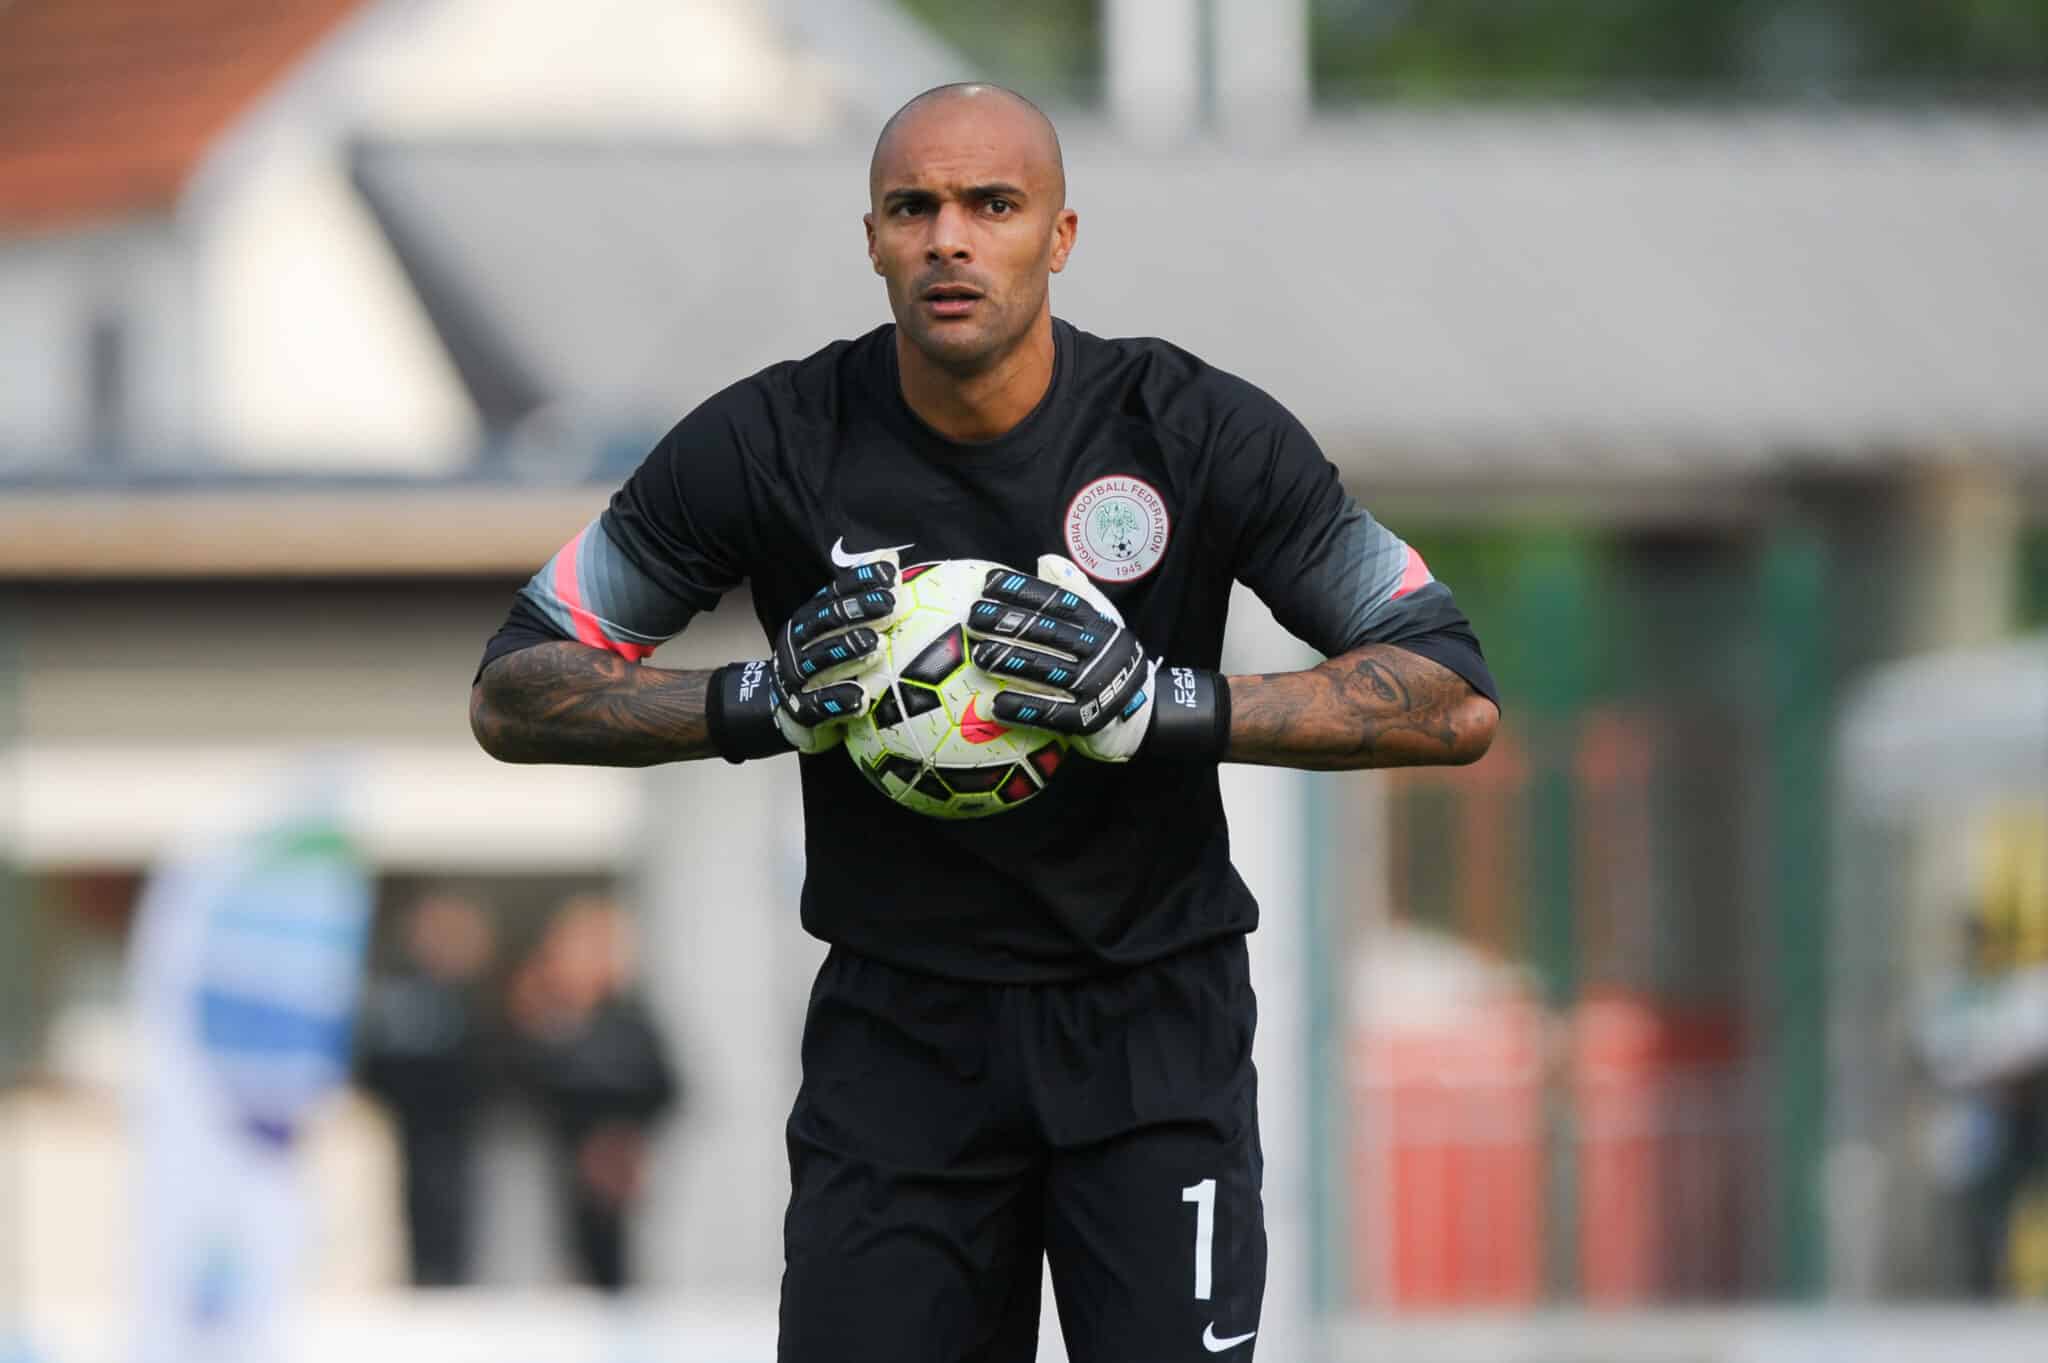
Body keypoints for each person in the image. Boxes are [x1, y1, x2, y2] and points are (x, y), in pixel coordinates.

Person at [471, 83, 1499, 1361]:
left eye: (991, 205)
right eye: (913, 208)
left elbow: (1448, 691)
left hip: (1148, 1024)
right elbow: (515, 685)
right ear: (871, 239)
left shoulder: (1192, 432)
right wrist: (751, 701)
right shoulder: (768, 441)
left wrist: (1160, 706)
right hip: (899, 1041)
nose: (947, 239)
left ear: (1059, 236)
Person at [505, 894, 680, 1292]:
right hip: (555, 1170)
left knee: (613, 1266)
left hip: (620, 1174)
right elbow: (523, 1090)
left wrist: (623, 1138)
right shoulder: (543, 1018)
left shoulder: (631, 1019)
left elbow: (665, 1086)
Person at [356, 891, 498, 1287]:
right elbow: (374, 1060)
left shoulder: (470, 999)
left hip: (454, 1134)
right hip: (400, 1128)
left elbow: (488, 1067)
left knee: (451, 1222)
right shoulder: (395, 994)